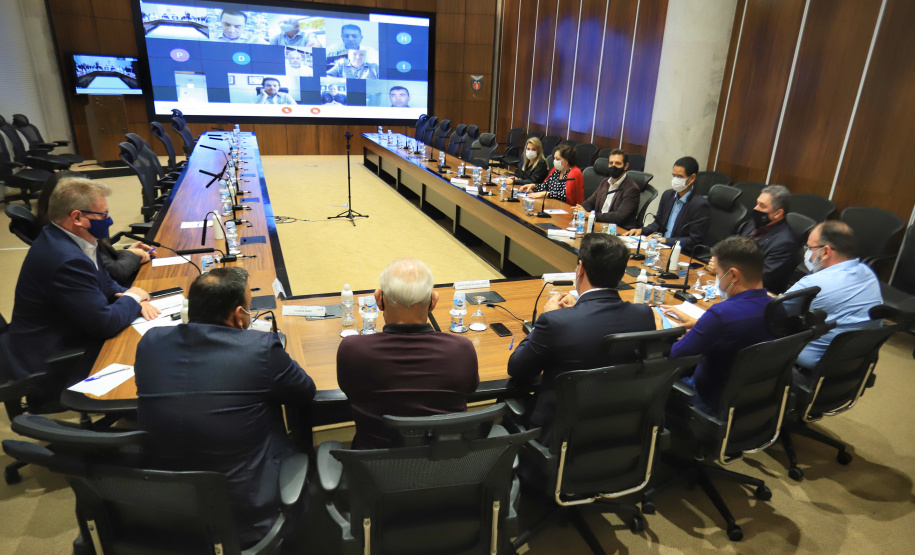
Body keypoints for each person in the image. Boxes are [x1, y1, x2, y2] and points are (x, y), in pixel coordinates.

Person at [135, 268, 316, 549]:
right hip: (245, 509)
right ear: (238, 315)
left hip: (169, 502)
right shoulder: (259, 348)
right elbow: (304, 391)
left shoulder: (150, 343)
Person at [0, 177, 159, 401]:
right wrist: (132, 298)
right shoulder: (66, 259)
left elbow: (103, 280)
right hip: (50, 357)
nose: (109, 220)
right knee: (150, 360)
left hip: (71, 326)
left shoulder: (77, 239)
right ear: (77, 217)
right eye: (103, 215)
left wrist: (123, 296)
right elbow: (104, 325)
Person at [508, 234, 655, 443]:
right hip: (620, 431)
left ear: (580, 269)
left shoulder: (555, 322)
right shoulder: (644, 315)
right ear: (622, 273)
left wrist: (546, 317)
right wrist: (575, 310)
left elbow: (517, 369)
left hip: (559, 436)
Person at [336, 258, 479, 449]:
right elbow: (471, 389)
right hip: (447, 467)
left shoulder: (352, 350)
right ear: (433, 301)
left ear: (379, 299)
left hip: (375, 471)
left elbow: (349, 390)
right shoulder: (462, 350)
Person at [662, 236, 774, 413]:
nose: (718, 279)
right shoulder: (777, 307)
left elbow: (674, 356)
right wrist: (700, 324)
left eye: (719, 274)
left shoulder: (721, 314)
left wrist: (657, 324)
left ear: (733, 275)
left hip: (708, 398)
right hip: (755, 398)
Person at [786, 221, 883, 371]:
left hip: (812, 362)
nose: (807, 253)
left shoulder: (812, 283)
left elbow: (775, 315)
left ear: (825, 251)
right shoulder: (868, 274)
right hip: (855, 361)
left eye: (810, 248)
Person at [37, 172, 154, 286]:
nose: (109, 220)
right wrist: (130, 255)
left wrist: (128, 253)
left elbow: (105, 275)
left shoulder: (60, 227)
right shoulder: (71, 242)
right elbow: (115, 273)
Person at [624, 156, 710, 252]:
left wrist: (665, 240)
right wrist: (641, 230)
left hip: (680, 252)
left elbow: (694, 240)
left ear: (692, 178)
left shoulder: (699, 205)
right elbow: (658, 223)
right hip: (660, 247)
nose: (675, 180)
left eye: (680, 176)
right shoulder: (667, 195)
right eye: (674, 175)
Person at [740, 184, 800, 294]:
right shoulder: (753, 223)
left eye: (762, 206)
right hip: (735, 282)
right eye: (757, 203)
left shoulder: (786, 243)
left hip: (759, 295)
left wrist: (728, 271)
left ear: (778, 213)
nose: (755, 208)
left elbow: (763, 278)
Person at [575, 148, 640, 225]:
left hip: (617, 229)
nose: (613, 166)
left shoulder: (631, 189)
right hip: (599, 224)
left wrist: (592, 216)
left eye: (617, 163)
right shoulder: (605, 182)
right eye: (611, 163)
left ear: (626, 166)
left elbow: (619, 216)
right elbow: (590, 202)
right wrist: (580, 209)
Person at [519, 143, 584, 205]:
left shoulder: (574, 173)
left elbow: (567, 196)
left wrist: (547, 194)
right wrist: (533, 186)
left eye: (558, 159)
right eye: (554, 158)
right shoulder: (556, 170)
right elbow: (546, 186)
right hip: (552, 204)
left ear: (567, 160)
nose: (555, 161)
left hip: (567, 209)